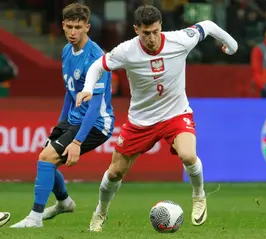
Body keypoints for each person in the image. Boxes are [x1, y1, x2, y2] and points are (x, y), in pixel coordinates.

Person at [76, 4, 238, 232]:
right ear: (136, 30)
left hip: (175, 114)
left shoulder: (180, 40)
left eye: (155, 31)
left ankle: (199, 196)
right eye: (145, 33)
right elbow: (97, 66)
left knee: (188, 155)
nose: (151, 38)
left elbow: (208, 26)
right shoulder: (126, 51)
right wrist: (88, 88)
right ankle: (100, 213)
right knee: (115, 172)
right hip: (141, 121)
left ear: (160, 26)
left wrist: (232, 46)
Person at [10, 3, 114, 228]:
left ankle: (35, 218)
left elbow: (95, 106)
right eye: (69, 27)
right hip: (74, 119)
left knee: (46, 158)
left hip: (97, 123)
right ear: (63, 26)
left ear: (88, 27)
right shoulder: (67, 50)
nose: (73, 32)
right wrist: (61, 125)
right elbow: (70, 92)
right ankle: (64, 202)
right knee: (45, 159)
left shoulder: (96, 58)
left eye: (78, 27)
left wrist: (76, 142)